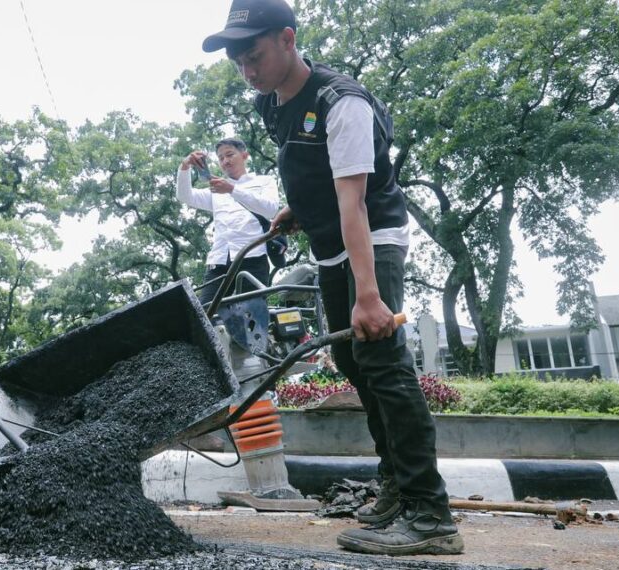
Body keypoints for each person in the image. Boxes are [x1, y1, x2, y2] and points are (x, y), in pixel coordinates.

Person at [203, 0, 464, 556]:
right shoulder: (272, 103)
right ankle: (396, 487)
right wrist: (297, 208)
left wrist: (368, 296)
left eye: (255, 56)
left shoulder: (340, 101)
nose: (248, 71)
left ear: (289, 39)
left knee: (383, 358)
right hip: (328, 245)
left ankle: (429, 513)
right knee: (352, 362)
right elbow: (313, 171)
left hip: (370, 239)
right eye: (239, 63)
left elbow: (354, 201)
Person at [177, 138, 280, 306]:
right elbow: (185, 196)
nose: (225, 161)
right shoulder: (215, 189)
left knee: (251, 315)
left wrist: (232, 190)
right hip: (219, 259)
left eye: (230, 154)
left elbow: (270, 209)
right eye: (220, 158)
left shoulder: (264, 181)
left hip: (252, 256)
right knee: (206, 314)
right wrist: (185, 166)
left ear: (245, 155)